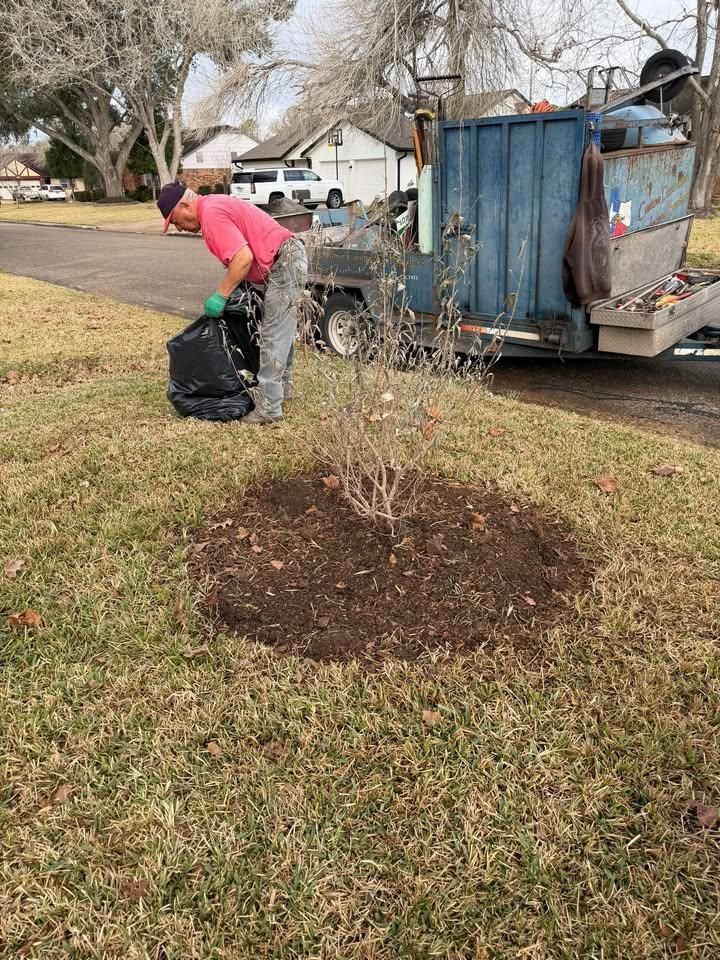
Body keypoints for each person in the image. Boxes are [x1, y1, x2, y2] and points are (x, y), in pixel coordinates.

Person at [157, 182, 308, 425]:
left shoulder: (212, 215)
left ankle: (269, 408)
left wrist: (221, 295)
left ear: (185, 205)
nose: (180, 228)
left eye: (176, 221)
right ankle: (281, 391)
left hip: (284, 261)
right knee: (282, 331)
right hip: (285, 258)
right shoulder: (214, 207)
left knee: (273, 333)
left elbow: (243, 258)